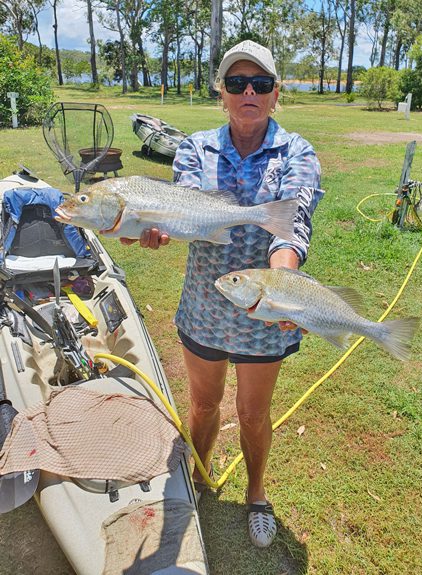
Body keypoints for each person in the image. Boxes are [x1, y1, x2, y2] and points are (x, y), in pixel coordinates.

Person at [124, 40, 323, 548]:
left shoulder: (297, 152)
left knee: (255, 413)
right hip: (206, 312)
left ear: (276, 94)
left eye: (260, 83)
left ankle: (257, 495)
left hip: (264, 315)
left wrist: (281, 291)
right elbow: (185, 211)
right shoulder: (196, 147)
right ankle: (198, 476)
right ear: (223, 93)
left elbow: (290, 228)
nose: (248, 91)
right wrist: (156, 229)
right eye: (236, 83)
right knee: (204, 404)